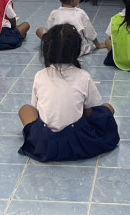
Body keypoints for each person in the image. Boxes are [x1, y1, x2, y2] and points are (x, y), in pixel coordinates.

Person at [18, 23, 120, 162]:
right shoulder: (83, 76)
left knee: (25, 109)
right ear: (76, 50)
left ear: (47, 49)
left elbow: (38, 111)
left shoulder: (40, 75)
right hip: (77, 140)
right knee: (108, 108)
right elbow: (88, 113)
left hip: (46, 143)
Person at [36, 0, 104, 55]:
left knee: (39, 31)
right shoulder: (80, 13)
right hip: (78, 51)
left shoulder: (54, 13)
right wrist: (98, 45)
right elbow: (90, 33)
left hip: (59, 51)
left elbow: (47, 33)